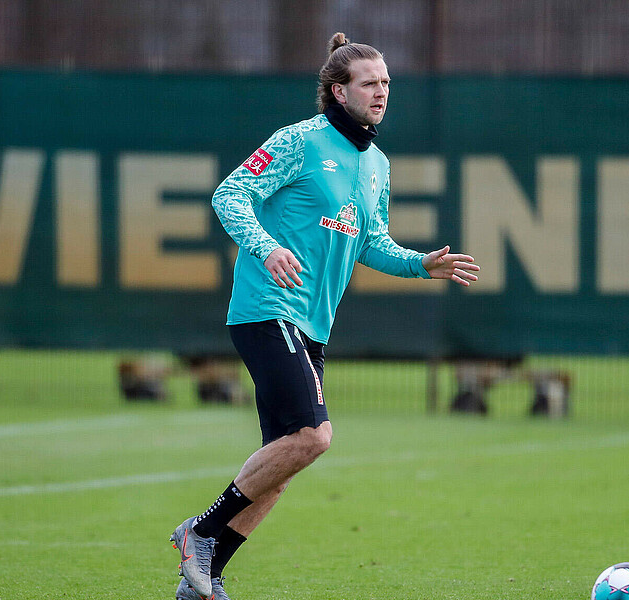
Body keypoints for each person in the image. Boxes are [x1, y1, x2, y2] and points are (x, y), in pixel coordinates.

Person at [170, 32, 480, 600]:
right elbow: (230, 194)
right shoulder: (298, 141)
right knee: (313, 437)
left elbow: (373, 243)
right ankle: (202, 534)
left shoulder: (377, 164)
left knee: (281, 463)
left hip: (312, 325)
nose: (382, 92)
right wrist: (266, 247)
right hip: (269, 309)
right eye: (370, 83)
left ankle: (202, 581)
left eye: (387, 82)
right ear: (338, 91)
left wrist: (420, 264)